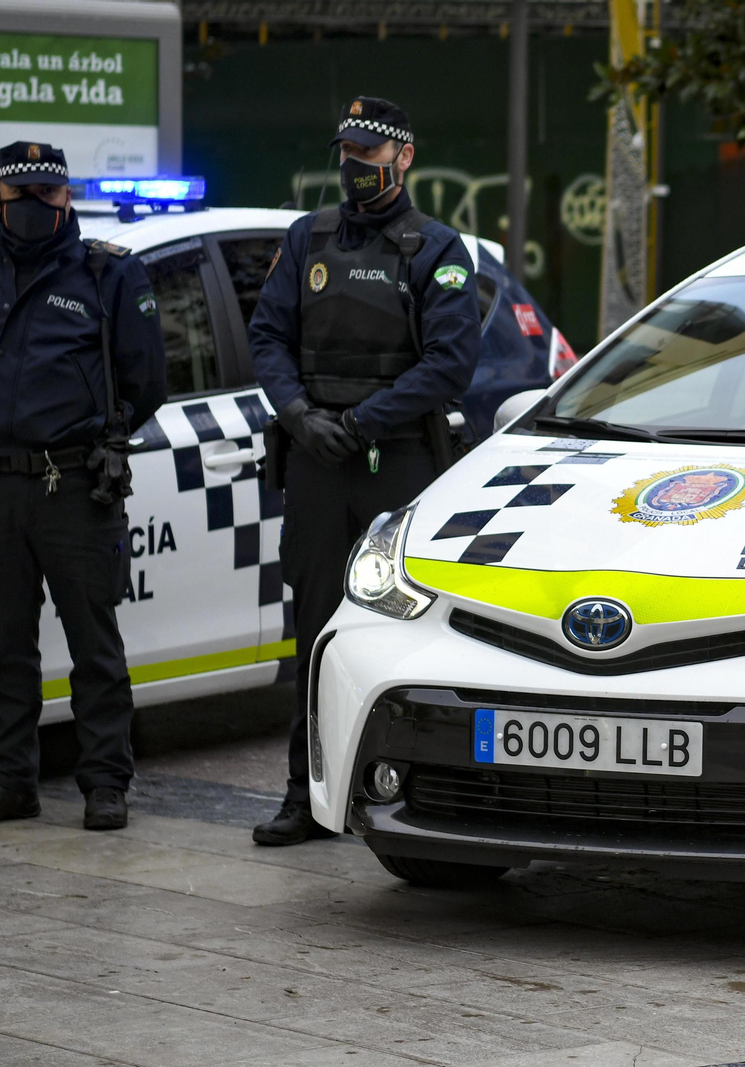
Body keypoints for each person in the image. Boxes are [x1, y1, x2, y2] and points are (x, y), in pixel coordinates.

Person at [249, 97, 480, 845]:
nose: (355, 170)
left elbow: (450, 365)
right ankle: (303, 793)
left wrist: (360, 420)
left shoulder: (437, 249)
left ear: (403, 157)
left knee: (406, 630)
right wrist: (297, 414)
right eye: (346, 154)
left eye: (369, 156)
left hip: (395, 461)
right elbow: (268, 335)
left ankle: (414, 791)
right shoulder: (306, 237)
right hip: (318, 460)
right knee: (315, 631)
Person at [0, 141, 167, 831]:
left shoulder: (105, 273)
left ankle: (104, 782)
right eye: (21, 196)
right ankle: (10, 780)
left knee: (94, 642)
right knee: (4, 644)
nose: (35, 208)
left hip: (73, 483)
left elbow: (145, 379)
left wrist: (84, 426)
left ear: (67, 197)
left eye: (48, 195)